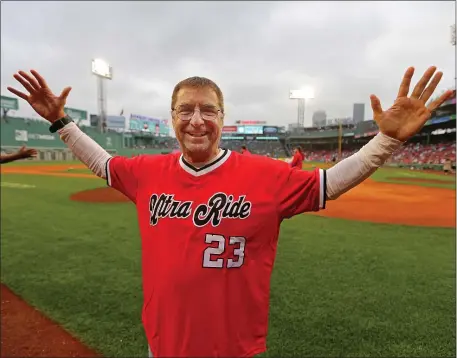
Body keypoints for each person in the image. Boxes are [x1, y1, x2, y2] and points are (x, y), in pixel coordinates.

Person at [7, 67, 452, 358]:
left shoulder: (265, 176)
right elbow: (102, 162)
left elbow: (330, 183)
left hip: (234, 350)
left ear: (223, 118)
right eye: (185, 109)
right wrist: (61, 123)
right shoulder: (146, 173)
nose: (196, 120)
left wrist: (388, 141)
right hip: (162, 345)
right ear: (171, 118)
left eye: (208, 110)